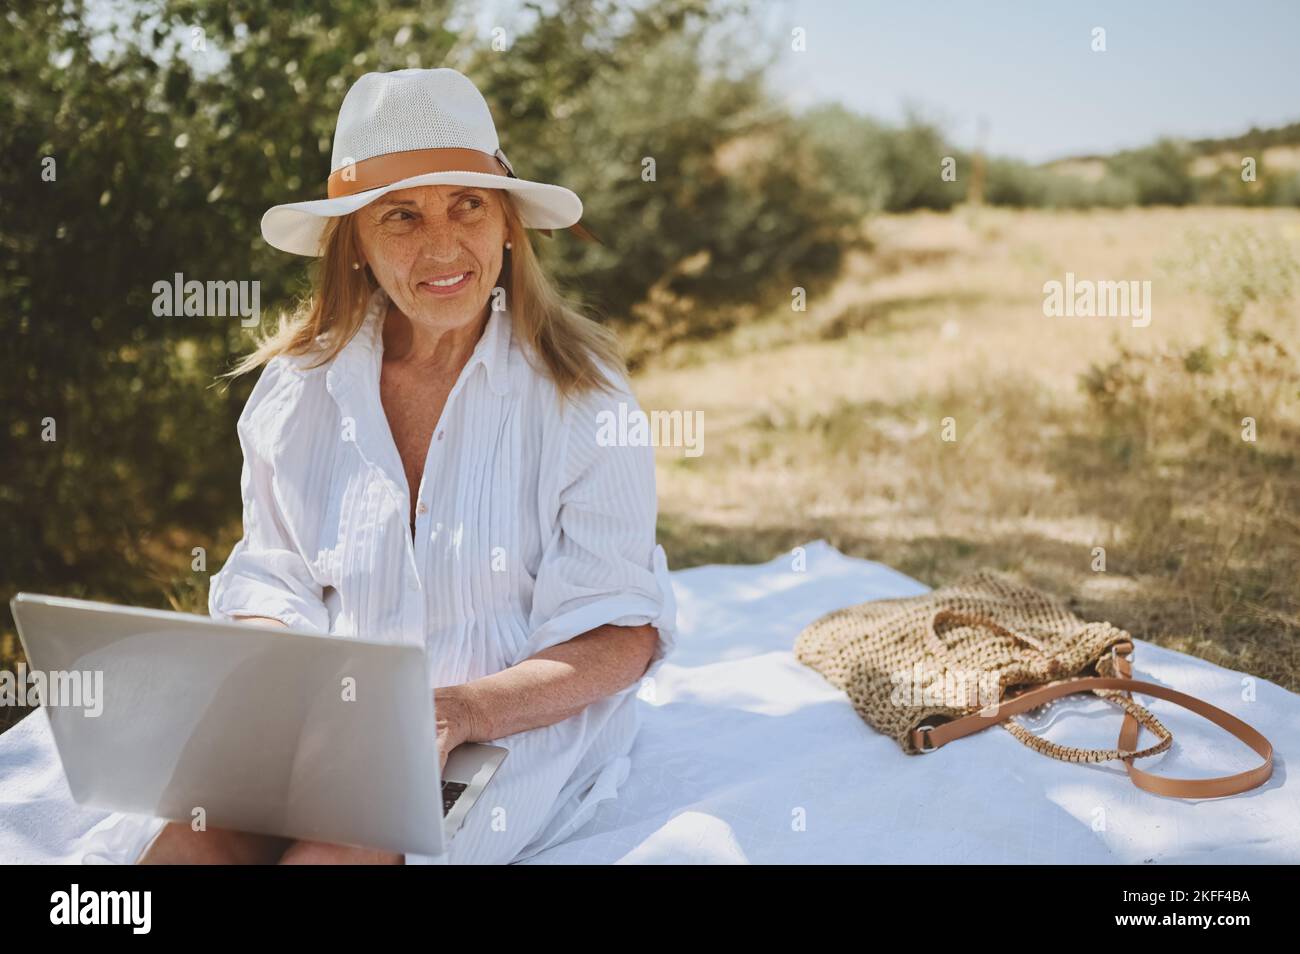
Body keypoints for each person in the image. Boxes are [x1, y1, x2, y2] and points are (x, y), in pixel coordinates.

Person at [136, 66, 677, 864]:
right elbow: (272, 579)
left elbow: (618, 633)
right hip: (331, 726)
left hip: (507, 725)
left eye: (468, 204)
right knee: (193, 838)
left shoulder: (584, 397)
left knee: (339, 848)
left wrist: (454, 712)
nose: (442, 245)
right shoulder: (300, 388)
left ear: (509, 225)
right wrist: (268, 690)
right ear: (355, 239)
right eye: (401, 215)